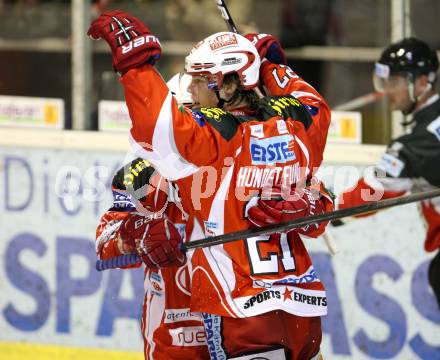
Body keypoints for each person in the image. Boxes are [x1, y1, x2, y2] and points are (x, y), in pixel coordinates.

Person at [89, 10, 333, 359]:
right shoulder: (142, 174)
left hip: (242, 314)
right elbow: (105, 243)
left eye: (196, 110)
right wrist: (137, 234)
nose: (197, 119)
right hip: (179, 334)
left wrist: (309, 206)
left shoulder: (234, 145)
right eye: (186, 112)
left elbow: (320, 205)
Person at [338, 37, 440, 308]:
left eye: (395, 82)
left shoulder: (415, 146)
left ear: (422, 82)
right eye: (385, 82)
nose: (387, 91)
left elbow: (375, 189)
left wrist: (330, 209)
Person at [96, 157, 210, 360]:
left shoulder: (235, 163)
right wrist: (132, 235)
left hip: (240, 328)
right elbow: (105, 245)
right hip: (173, 338)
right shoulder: (141, 174)